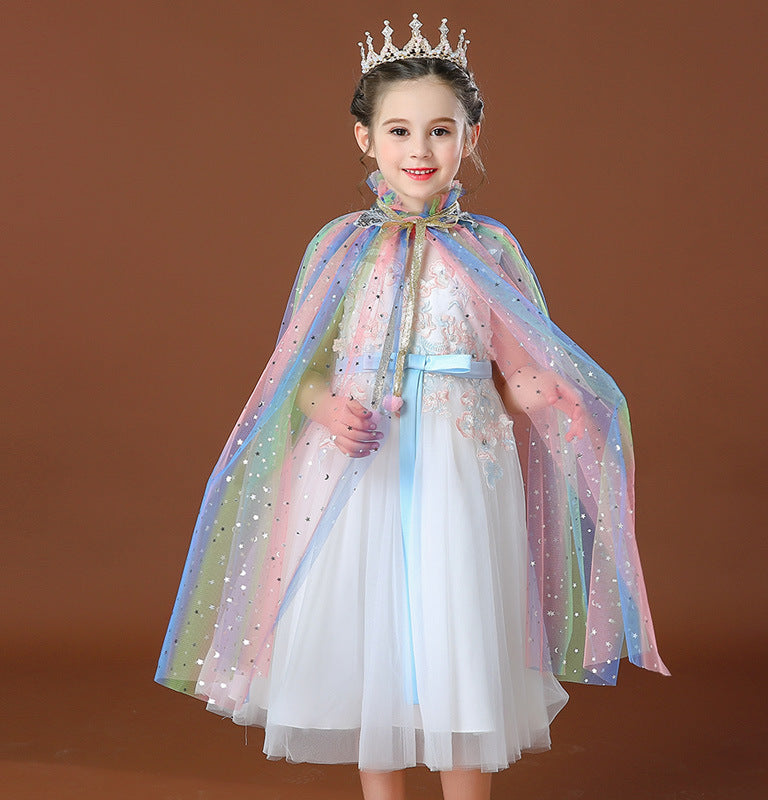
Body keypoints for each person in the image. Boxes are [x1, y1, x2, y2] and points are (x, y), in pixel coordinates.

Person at [155, 14, 669, 800]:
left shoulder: (490, 250)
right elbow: (301, 373)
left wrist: (546, 394)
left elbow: (515, 370)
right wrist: (327, 409)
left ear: (471, 136)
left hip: (461, 471)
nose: (419, 149)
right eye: (399, 131)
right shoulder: (339, 247)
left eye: (440, 130)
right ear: (365, 139)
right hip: (360, 469)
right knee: (375, 640)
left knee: (457, 635)